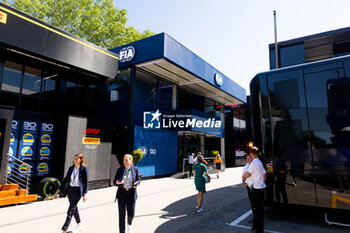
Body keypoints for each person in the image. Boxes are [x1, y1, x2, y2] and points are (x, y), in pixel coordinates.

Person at [54, 153, 88, 233]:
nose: (75, 160)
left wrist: (84, 194)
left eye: (77, 158)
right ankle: (79, 224)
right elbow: (65, 180)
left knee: (70, 210)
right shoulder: (71, 168)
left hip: (78, 191)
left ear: (80, 160)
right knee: (74, 208)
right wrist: (57, 191)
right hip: (70, 190)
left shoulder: (83, 168)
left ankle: (64, 230)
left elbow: (86, 182)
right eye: (74, 158)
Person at [114, 154, 141, 233]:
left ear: (131, 161)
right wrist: (117, 182)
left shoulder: (135, 169)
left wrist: (136, 184)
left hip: (131, 194)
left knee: (131, 214)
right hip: (122, 194)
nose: (125, 161)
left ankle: (129, 224)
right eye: (124, 160)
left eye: (126, 160)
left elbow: (138, 180)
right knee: (121, 216)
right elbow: (114, 181)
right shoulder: (120, 170)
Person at [243, 147, 266, 233]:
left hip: (256, 189)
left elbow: (246, 174)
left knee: (256, 209)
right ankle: (259, 227)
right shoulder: (259, 162)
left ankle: (259, 229)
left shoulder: (254, 163)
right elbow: (264, 174)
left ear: (251, 154)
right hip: (260, 188)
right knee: (260, 209)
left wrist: (246, 176)